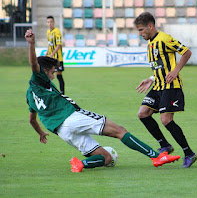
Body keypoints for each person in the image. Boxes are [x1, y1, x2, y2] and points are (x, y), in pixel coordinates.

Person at [24, 29, 180, 172]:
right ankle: (157, 157)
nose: (53, 76)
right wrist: (32, 44)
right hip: (72, 117)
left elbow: (32, 120)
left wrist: (41, 133)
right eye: (51, 72)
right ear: (43, 72)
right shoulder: (39, 78)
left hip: (62, 132)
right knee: (120, 131)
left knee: (106, 158)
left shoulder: (29, 95)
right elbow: (33, 64)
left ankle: (80, 163)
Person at [134, 12, 197, 168]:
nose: (140, 34)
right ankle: (165, 145)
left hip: (171, 86)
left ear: (150, 26)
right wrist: (151, 78)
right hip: (157, 85)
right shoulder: (151, 43)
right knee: (143, 114)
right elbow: (160, 66)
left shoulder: (164, 39)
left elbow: (186, 52)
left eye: (141, 30)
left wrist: (176, 71)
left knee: (166, 120)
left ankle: (189, 153)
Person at [46, 16, 65, 94]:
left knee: (58, 75)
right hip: (51, 58)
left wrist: (52, 54)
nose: (49, 24)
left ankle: (62, 93)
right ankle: (49, 91)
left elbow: (59, 45)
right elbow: (49, 45)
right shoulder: (48, 32)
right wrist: (46, 54)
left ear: (53, 22)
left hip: (57, 58)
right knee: (48, 74)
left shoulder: (57, 31)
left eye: (51, 22)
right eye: (48, 22)